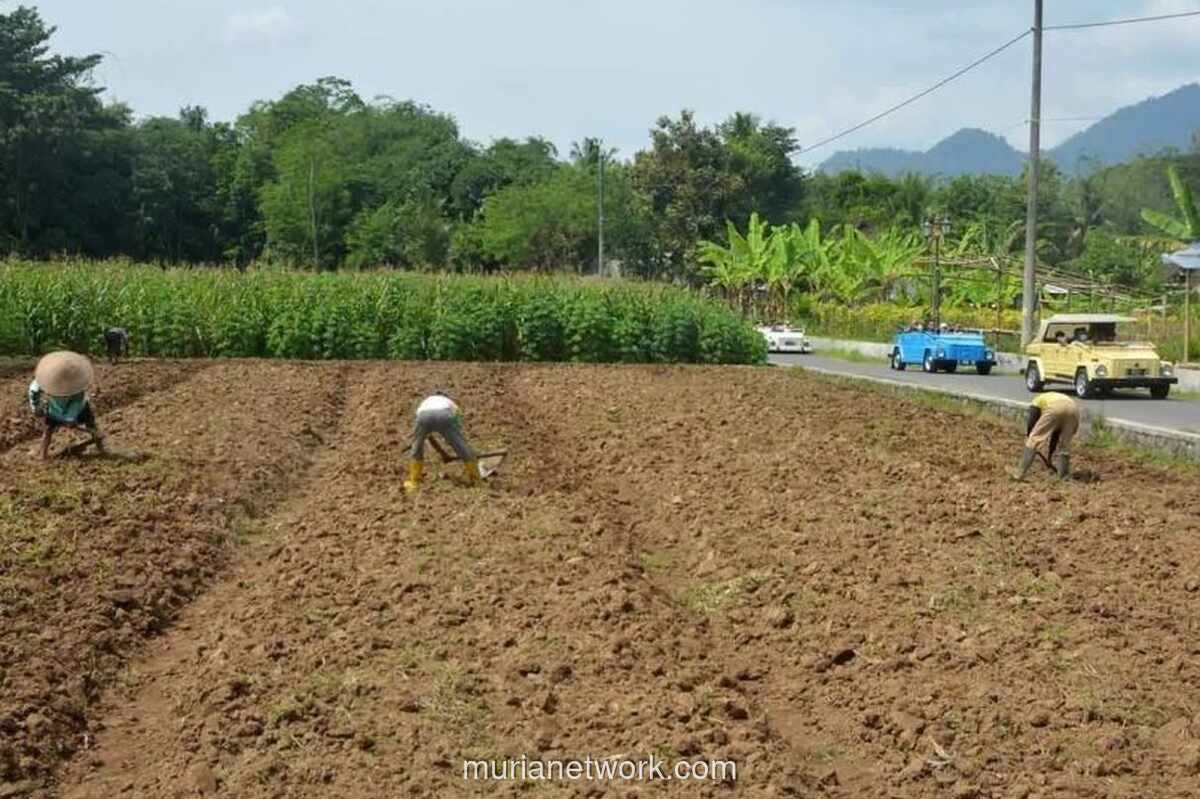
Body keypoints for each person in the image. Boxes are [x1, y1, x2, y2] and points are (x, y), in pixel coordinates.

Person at [28, 351, 107, 460]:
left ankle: (101, 448)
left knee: (90, 423)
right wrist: (36, 407)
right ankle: (43, 455)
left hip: (79, 409)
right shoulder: (47, 377)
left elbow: (77, 402)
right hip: (54, 408)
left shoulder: (77, 384)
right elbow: (34, 391)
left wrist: (70, 418)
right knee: (48, 430)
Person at [403, 391, 480, 492]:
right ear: (445, 397)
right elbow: (458, 419)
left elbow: (419, 417)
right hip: (444, 415)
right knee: (461, 446)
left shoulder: (426, 401)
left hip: (423, 416)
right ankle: (476, 480)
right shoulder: (449, 402)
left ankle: (414, 482)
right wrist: (454, 436)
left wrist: (424, 434)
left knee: (417, 446)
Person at [1012, 392, 1079, 481]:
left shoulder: (1036, 401)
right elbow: (1056, 435)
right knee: (1064, 444)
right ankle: (1064, 476)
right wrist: (1050, 456)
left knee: (1034, 439)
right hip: (1073, 409)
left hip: (1056, 408)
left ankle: (1019, 474)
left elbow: (1032, 420)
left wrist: (1029, 436)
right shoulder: (1052, 397)